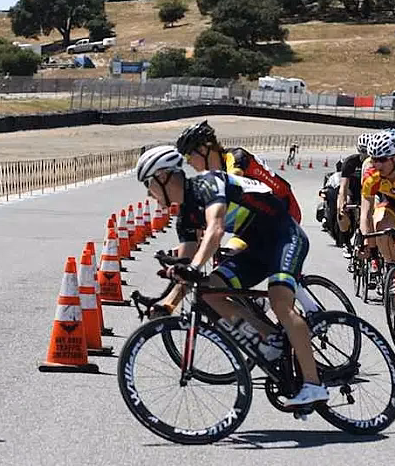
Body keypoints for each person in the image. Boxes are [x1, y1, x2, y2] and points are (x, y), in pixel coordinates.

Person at [136, 145, 328, 406]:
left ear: (164, 176)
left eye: (149, 183)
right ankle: (270, 340)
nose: (148, 192)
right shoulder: (185, 217)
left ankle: (314, 384)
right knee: (210, 291)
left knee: (280, 301)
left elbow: (215, 230)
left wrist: (193, 266)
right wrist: (168, 301)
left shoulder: (208, 184)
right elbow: (189, 264)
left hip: (285, 236)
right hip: (256, 248)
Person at [175, 121, 301, 225]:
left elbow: (233, 179)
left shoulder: (235, 157)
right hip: (263, 213)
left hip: (286, 209)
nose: (188, 162)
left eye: (188, 156)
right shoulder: (216, 172)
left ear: (203, 149)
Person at [359, 131, 395, 275]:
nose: (378, 165)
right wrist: (365, 240)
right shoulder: (371, 177)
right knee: (380, 225)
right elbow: (366, 213)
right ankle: (392, 268)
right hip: (393, 204)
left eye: (383, 159)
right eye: (374, 159)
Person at [336, 133, 372, 239]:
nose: (366, 155)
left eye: (368, 152)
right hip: (352, 192)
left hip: (368, 194)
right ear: (358, 149)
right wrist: (342, 202)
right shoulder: (350, 162)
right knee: (340, 210)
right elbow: (343, 186)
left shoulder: (376, 163)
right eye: (363, 151)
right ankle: (345, 241)